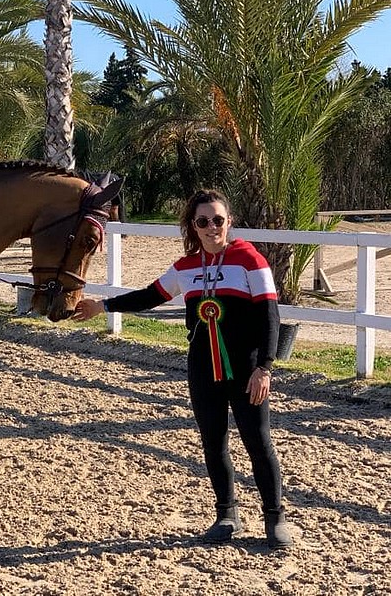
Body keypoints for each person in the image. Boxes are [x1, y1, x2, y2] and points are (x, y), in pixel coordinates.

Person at [72, 189, 293, 549]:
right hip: (202, 367)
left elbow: (270, 316)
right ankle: (226, 514)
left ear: (229, 222)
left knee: (258, 440)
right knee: (213, 441)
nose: (211, 227)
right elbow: (149, 295)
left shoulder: (250, 260)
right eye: (203, 221)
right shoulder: (187, 267)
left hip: (246, 367)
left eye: (217, 220)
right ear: (194, 225)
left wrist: (265, 368)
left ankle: (274, 517)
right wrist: (103, 305)